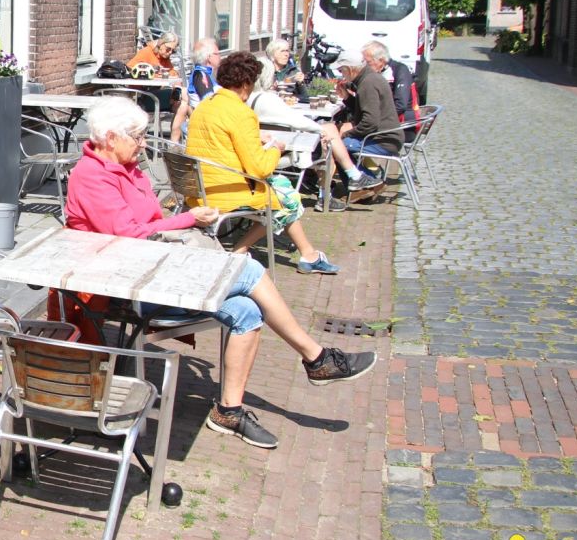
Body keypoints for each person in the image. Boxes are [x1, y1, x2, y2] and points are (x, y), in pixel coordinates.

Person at [63, 97, 375, 448]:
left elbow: (146, 226)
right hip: (127, 286)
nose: (144, 143)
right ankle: (316, 358)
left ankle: (229, 411)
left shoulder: (128, 168)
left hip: (153, 268)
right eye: (137, 136)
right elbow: (130, 234)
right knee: (248, 269)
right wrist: (188, 219)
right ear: (110, 138)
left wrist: (180, 226)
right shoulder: (92, 176)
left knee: (247, 311)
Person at [184, 51, 341, 274]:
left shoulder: (205, 105)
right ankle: (240, 252)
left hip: (199, 187)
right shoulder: (242, 113)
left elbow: (219, 137)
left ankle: (309, 255)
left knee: (281, 189)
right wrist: (277, 149)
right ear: (246, 84)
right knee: (288, 197)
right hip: (228, 191)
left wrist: (256, 136)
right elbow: (260, 168)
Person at [250, 59, 382, 208]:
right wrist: (320, 130)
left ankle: (353, 176)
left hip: (261, 146)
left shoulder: (248, 98)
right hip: (283, 150)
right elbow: (297, 121)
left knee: (329, 131)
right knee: (329, 137)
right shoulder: (268, 99)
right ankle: (328, 194)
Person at [335, 52, 404, 159]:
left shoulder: (368, 83)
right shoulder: (369, 78)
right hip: (386, 138)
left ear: (349, 69)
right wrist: (347, 97)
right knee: (337, 138)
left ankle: (357, 171)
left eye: (341, 70)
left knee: (335, 144)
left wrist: (347, 133)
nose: (341, 74)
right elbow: (363, 111)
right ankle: (356, 169)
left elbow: (370, 123)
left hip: (383, 141)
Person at [128, 31, 190, 139]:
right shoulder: (146, 52)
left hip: (154, 95)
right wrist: (151, 74)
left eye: (173, 50)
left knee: (183, 103)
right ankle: (198, 126)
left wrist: (176, 85)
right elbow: (130, 68)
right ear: (161, 43)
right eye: (168, 49)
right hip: (142, 96)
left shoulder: (164, 57)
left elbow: (173, 75)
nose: (170, 52)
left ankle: (174, 144)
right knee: (184, 97)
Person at [362, 40, 418, 126]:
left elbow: (400, 105)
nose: (365, 66)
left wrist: (374, 120)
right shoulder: (374, 71)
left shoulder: (400, 70)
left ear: (381, 60)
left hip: (402, 124)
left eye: (368, 62)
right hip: (379, 118)